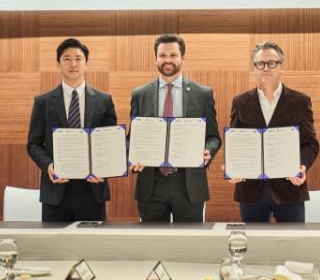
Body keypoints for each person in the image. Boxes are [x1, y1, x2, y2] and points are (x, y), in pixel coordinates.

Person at [129, 34, 221, 222]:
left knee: (189, 247)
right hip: (151, 183)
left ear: (182, 58)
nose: (168, 60)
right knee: (153, 246)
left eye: (173, 55)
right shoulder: (140, 94)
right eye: (162, 55)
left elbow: (213, 137)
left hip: (189, 183)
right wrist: (131, 155)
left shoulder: (202, 94)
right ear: (155, 58)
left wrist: (207, 151)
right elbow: (132, 137)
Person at [27, 38, 117, 222]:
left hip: (92, 189)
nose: (73, 64)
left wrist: (104, 168)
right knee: (54, 248)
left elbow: (111, 143)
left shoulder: (103, 100)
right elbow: (33, 144)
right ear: (58, 64)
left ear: (86, 63)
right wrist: (48, 166)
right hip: (56, 190)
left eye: (78, 58)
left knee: (92, 247)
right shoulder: (43, 102)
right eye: (67, 59)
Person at [228, 41, 319, 222]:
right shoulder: (240, 102)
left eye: (272, 63)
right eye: (260, 64)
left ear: (281, 67)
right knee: (253, 247)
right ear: (254, 68)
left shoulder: (300, 101)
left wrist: (301, 166)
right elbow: (235, 143)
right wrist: (233, 166)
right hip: (250, 190)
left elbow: (310, 143)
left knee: (292, 246)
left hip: (289, 189)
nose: (265, 68)